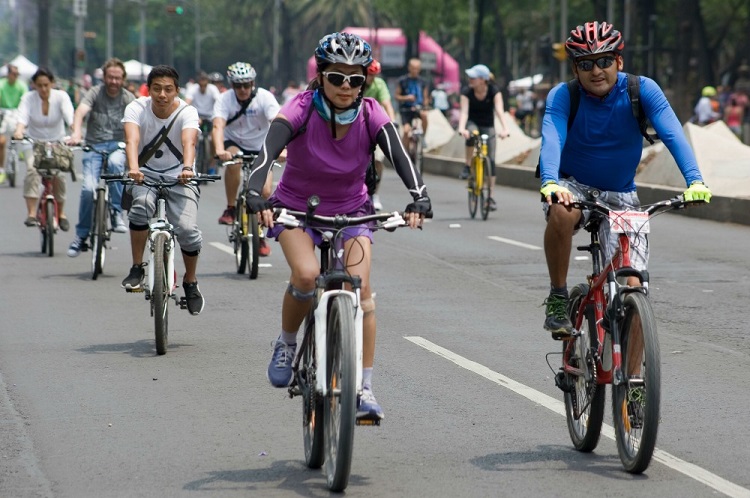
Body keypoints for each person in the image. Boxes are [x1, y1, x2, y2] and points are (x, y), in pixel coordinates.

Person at [247, 32, 431, 421]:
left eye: (355, 79)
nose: (346, 87)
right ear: (320, 76)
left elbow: (398, 153)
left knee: (360, 293)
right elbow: (266, 153)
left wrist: (419, 195)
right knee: (306, 273)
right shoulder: (300, 107)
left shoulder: (371, 113)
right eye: (336, 77)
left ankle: (363, 387)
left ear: (365, 80)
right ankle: (287, 342)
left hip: (352, 211)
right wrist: (253, 192)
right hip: (298, 209)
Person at [538, 21, 712, 338]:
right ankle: (559, 298)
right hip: (574, 185)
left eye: (604, 60)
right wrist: (550, 181)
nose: (596, 71)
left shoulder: (641, 89)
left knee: (635, 288)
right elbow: (551, 139)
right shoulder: (563, 96)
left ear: (619, 61)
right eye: (586, 64)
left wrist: (695, 181)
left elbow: (674, 134)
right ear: (575, 69)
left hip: (621, 195)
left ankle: (634, 385)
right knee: (561, 210)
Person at [119, 64, 206, 315]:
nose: (162, 95)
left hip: (180, 175)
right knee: (140, 209)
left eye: (168, 89)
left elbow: (189, 141)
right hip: (144, 174)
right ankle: (137, 266)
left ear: (177, 90)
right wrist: (134, 169)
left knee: (188, 230)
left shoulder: (187, 112)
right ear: (149, 90)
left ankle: (191, 281)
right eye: (156, 89)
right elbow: (131, 140)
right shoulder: (136, 108)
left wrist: (187, 168)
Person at [66, 58, 136, 257]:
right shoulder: (95, 92)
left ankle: (115, 213)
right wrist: (77, 133)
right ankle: (81, 236)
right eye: (110, 77)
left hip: (118, 145)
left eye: (118, 78)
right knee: (88, 189)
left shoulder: (128, 97)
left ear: (123, 79)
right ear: (104, 77)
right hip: (94, 146)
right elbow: (80, 112)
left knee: (115, 164)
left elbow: (138, 120)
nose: (114, 81)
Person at [212, 61, 279, 256]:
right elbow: (218, 126)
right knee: (234, 162)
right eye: (238, 85)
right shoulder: (224, 99)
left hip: (262, 146)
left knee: (265, 190)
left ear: (253, 83)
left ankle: (259, 234)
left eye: (246, 84)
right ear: (231, 85)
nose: (242, 89)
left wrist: (282, 149)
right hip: (234, 142)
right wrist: (218, 149)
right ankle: (231, 208)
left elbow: (277, 123)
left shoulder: (265, 97)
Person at [13, 68, 74, 229]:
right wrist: (19, 131)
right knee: (32, 170)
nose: (43, 89)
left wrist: (75, 133)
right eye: (39, 85)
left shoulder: (61, 97)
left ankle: (61, 213)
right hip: (33, 143)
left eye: (46, 85)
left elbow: (70, 118)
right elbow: (22, 118)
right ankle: (32, 213)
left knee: (59, 175)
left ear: (52, 83)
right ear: (34, 85)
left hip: (57, 143)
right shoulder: (28, 98)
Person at [456, 64, 511, 211]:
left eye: (473, 77)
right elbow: (464, 112)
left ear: (482, 80)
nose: (470, 79)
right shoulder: (467, 91)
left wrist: (505, 128)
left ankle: (490, 197)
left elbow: (499, 111)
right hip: (472, 122)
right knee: (471, 134)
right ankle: (468, 166)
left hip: (488, 125)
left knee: (491, 160)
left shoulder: (494, 91)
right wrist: (462, 128)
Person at [363, 59, 397, 211]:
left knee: (378, 159)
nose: (371, 78)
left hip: (373, 126)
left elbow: (387, 104)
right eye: (369, 74)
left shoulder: (379, 85)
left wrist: (392, 122)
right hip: (354, 127)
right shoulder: (355, 83)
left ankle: (375, 193)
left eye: (374, 75)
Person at [185, 71, 221, 173]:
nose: (203, 88)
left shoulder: (212, 89)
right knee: (192, 139)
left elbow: (218, 101)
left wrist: (216, 117)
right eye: (201, 85)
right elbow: (188, 102)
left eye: (205, 85)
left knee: (213, 140)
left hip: (210, 117)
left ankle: (212, 164)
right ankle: (194, 160)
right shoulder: (193, 89)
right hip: (197, 117)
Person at [0, 64, 28, 185]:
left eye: (17, 75)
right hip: (3, 112)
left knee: (21, 134)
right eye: (14, 74)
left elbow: (26, 102)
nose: (16, 77)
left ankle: (20, 151)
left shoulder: (21, 86)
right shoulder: (1, 84)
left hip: (17, 112)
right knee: (1, 142)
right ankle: (1, 170)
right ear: (9, 74)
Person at [395, 58, 430, 145]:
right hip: (406, 109)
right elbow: (396, 96)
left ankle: (423, 138)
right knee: (406, 131)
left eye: (417, 68)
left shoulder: (423, 82)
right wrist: (406, 98)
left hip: (418, 108)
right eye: (413, 68)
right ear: (409, 68)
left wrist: (425, 107)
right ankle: (405, 154)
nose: (415, 70)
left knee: (424, 115)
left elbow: (425, 97)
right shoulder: (403, 81)